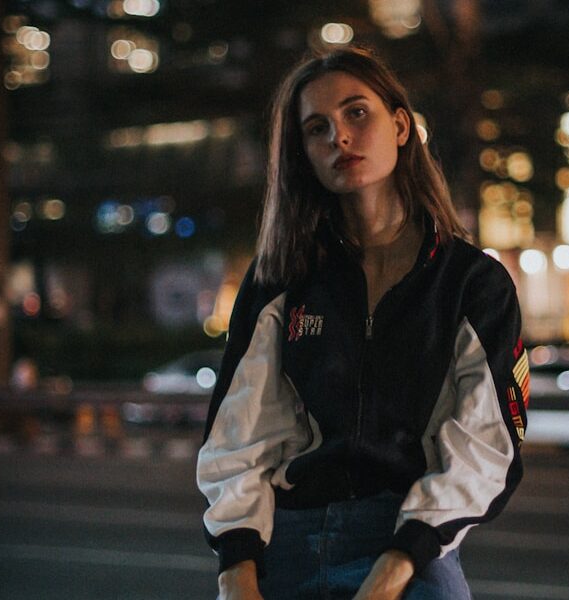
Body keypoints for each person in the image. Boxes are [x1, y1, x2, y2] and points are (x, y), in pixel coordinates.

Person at [197, 46, 529, 600]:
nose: (340, 139)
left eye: (357, 113)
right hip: (287, 537)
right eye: (316, 129)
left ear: (400, 126)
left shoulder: (472, 284)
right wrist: (237, 572)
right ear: (302, 153)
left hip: (407, 541)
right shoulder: (280, 277)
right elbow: (240, 434)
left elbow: (485, 445)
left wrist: (397, 565)